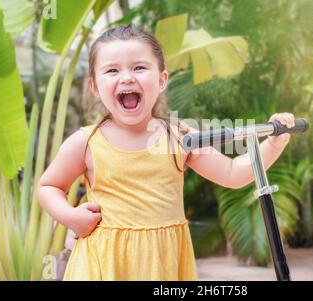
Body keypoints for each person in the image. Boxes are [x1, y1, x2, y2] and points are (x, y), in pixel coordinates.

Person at [37, 25, 295, 281]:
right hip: (103, 266)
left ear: (161, 80)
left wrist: (273, 144)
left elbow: (232, 173)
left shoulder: (180, 135)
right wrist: (71, 217)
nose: (126, 77)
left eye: (139, 68)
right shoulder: (85, 142)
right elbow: (48, 186)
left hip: (163, 264)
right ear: (94, 86)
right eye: (112, 70)